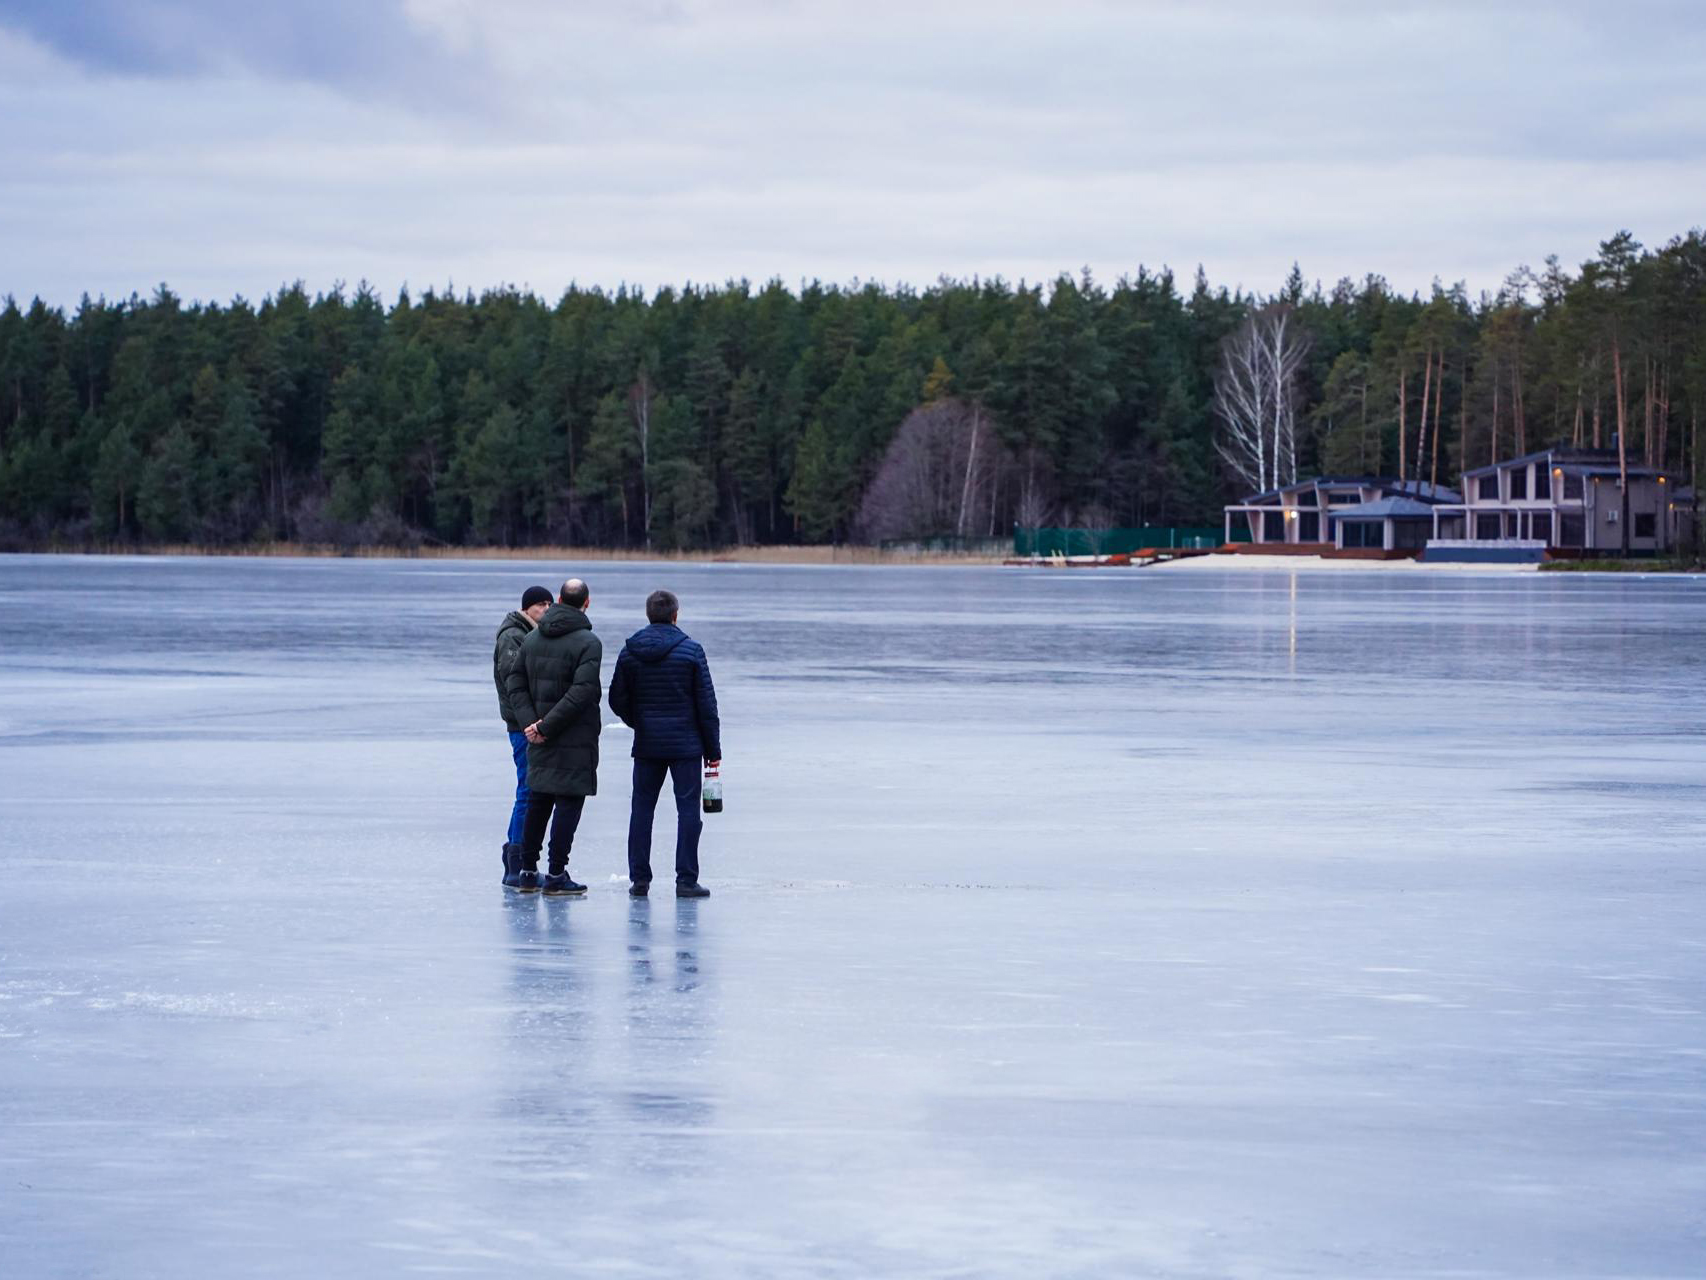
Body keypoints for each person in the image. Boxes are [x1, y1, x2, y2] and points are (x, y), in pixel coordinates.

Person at [609, 589, 720, 899]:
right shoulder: (692, 651)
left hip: (647, 744)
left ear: (648, 615)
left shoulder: (630, 651)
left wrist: (639, 721)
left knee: (642, 810)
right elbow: (707, 705)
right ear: (675, 614)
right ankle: (686, 880)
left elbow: (616, 698)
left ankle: (639, 880)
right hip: (687, 745)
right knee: (688, 812)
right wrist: (713, 752)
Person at [503, 578, 603, 896]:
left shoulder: (533, 639)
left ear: (558, 599)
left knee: (539, 800)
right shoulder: (589, 642)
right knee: (568, 803)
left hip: (538, 737)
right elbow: (582, 692)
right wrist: (545, 726)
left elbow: (514, 683)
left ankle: (528, 872)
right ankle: (557, 874)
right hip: (571, 737)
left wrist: (532, 723)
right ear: (587, 603)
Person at [494, 585, 554, 888]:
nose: (545, 609)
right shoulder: (513, 636)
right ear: (527, 607)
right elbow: (514, 684)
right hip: (521, 726)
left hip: (529, 723)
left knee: (529, 790)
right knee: (527, 790)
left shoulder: (531, 634)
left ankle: (516, 857)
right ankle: (515, 862)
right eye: (540, 605)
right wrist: (532, 722)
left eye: (549, 604)